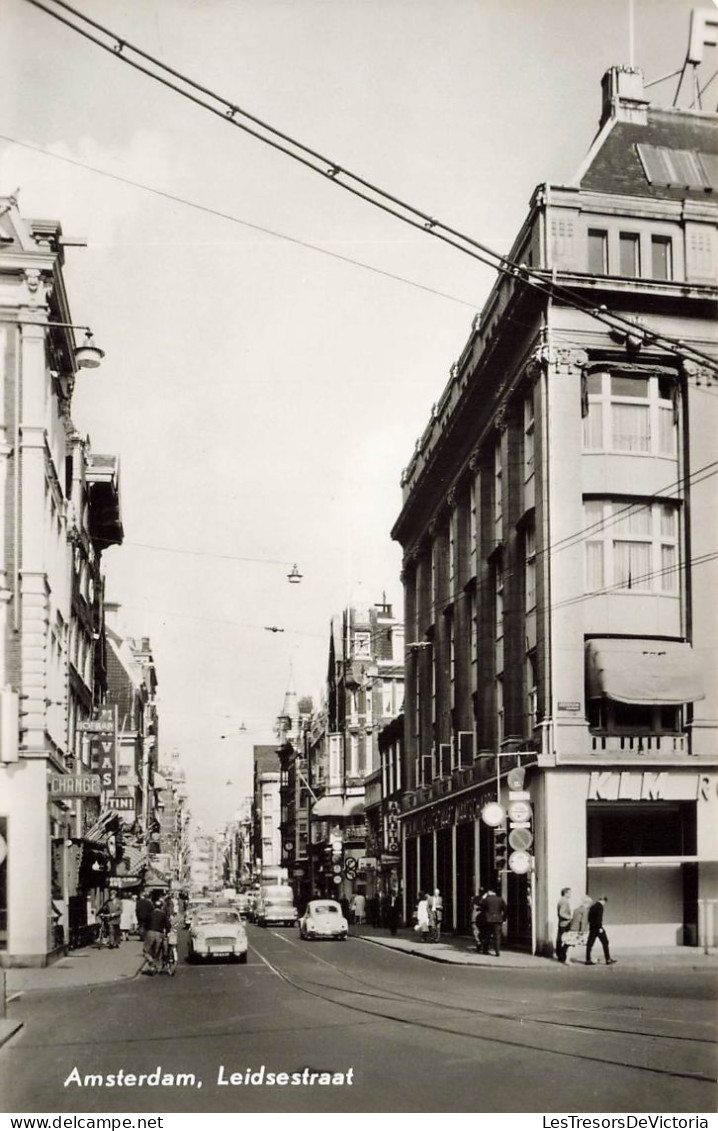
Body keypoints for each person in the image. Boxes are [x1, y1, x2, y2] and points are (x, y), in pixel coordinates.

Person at [586, 896, 617, 965]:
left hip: (592, 927)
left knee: (590, 943)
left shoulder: (593, 906)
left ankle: (588, 959)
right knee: (605, 942)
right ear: (604, 901)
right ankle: (608, 959)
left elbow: (589, 918)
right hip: (598, 928)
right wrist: (600, 927)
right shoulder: (600, 907)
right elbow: (599, 918)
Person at [143, 897, 171, 974]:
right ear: (161, 906)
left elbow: (145, 925)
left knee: (146, 951)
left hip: (150, 933)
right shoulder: (163, 914)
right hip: (159, 934)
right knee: (157, 951)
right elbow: (168, 925)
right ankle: (155, 964)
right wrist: (167, 932)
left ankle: (151, 962)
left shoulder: (150, 914)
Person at [480, 887, 507, 956]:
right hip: (498, 920)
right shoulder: (500, 899)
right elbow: (505, 909)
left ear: (490, 892)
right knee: (497, 936)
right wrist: (503, 918)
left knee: (487, 935)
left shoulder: (486, 899)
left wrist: (483, 897)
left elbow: (480, 905)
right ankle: (497, 952)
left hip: (488, 920)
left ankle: (485, 950)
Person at [555, 887, 573, 963]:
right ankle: (562, 954)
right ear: (565, 893)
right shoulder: (564, 901)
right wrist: (569, 918)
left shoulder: (560, 900)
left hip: (561, 923)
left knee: (560, 939)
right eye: (569, 893)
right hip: (565, 923)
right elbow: (561, 913)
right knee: (567, 939)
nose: (570, 894)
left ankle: (560, 955)